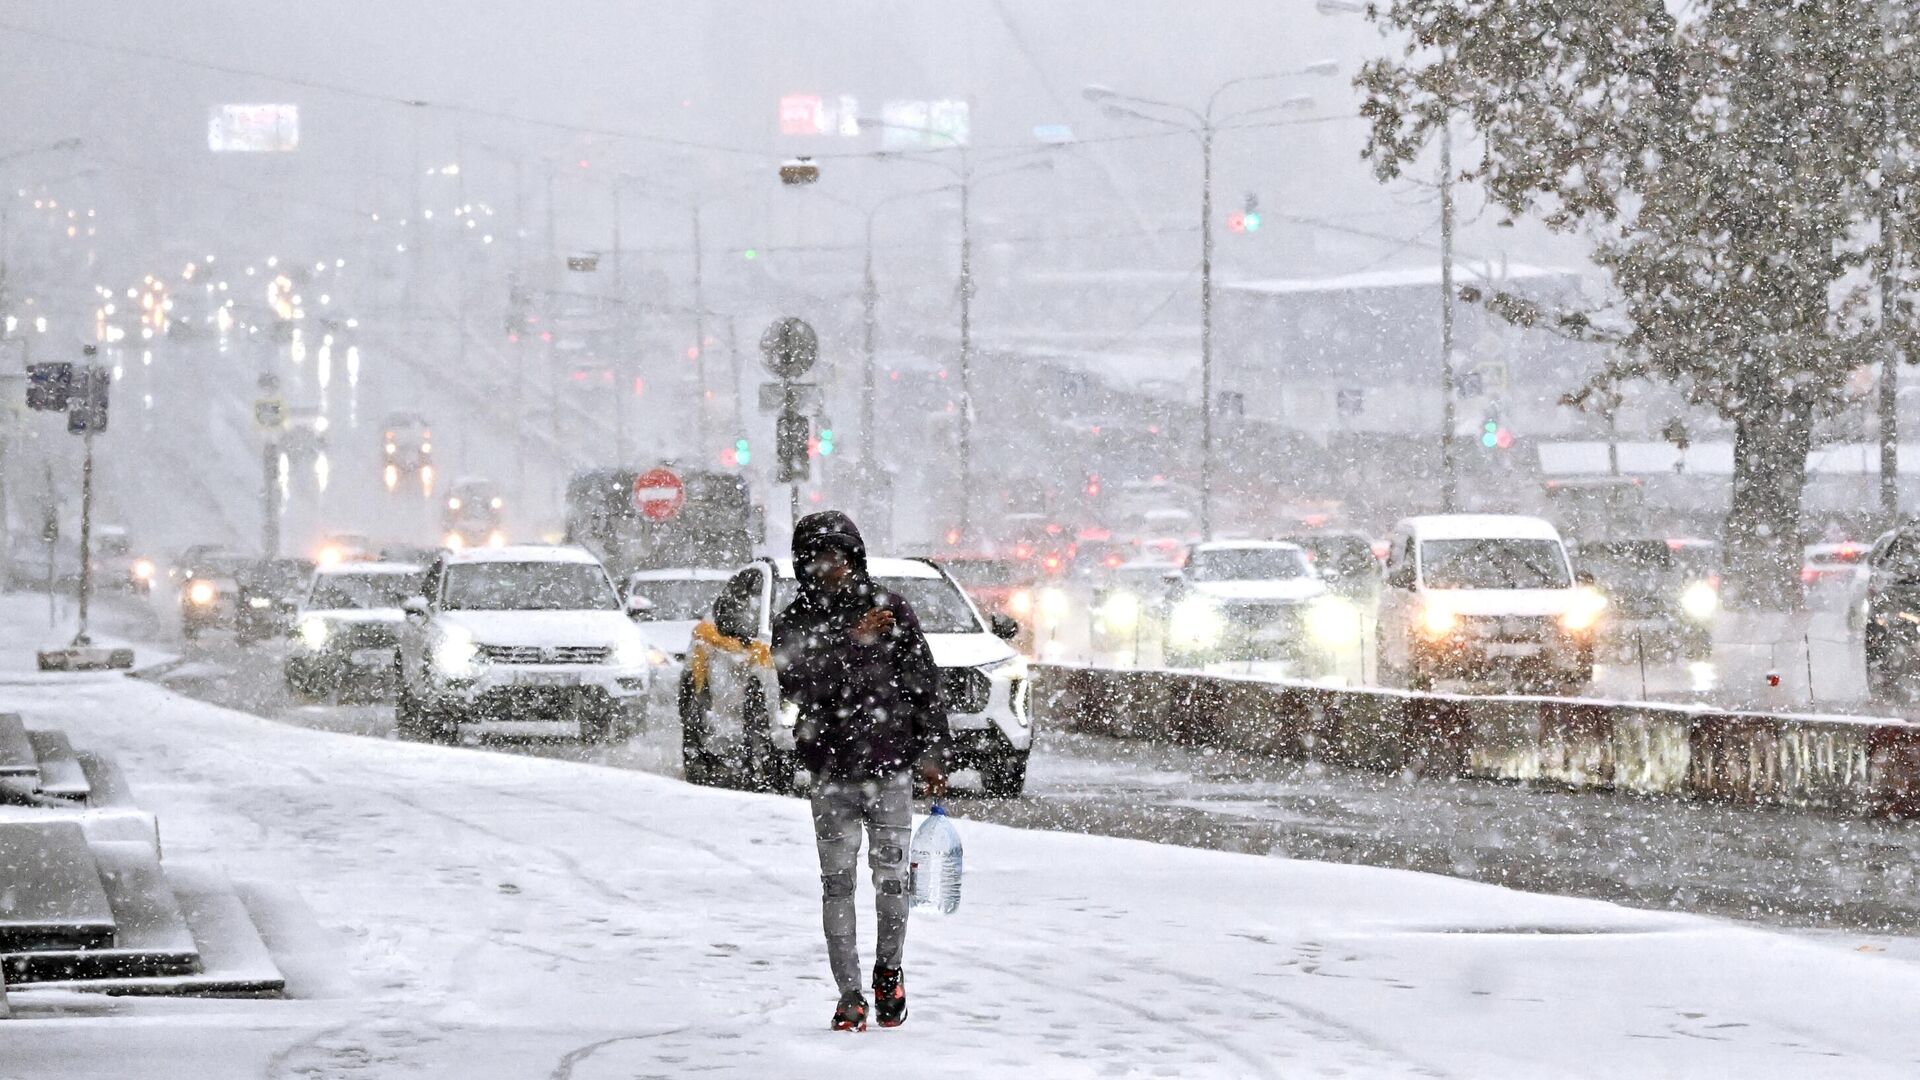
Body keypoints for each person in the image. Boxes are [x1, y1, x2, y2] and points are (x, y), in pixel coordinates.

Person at [772, 511, 949, 1032]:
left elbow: (923, 685)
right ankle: (848, 993)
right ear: (805, 564)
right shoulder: (794, 622)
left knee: (892, 881)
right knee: (837, 882)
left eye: (842, 555)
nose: (834, 567)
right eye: (822, 557)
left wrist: (934, 752)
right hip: (830, 771)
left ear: (856, 557)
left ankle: (888, 972)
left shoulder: (892, 610)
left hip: (890, 768)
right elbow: (800, 685)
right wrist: (853, 642)